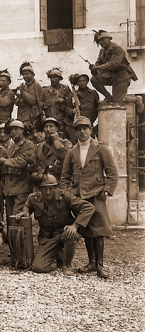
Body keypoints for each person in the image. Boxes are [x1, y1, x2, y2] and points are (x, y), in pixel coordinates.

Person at [61, 116, 118, 278]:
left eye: (85, 128)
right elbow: (65, 176)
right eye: (78, 129)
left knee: (98, 230)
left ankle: (100, 264)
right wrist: (67, 193)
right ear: (75, 132)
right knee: (85, 229)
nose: (82, 132)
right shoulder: (71, 152)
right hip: (79, 196)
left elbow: (112, 173)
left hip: (96, 194)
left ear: (90, 130)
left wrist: (107, 190)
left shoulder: (101, 149)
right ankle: (91, 262)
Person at [19, 174, 95, 275]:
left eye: (51, 188)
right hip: (47, 237)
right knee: (38, 267)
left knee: (70, 234)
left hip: (63, 232)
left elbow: (88, 207)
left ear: (55, 187)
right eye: (44, 188)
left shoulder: (65, 196)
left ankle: (67, 265)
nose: (47, 192)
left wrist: (75, 226)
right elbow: (28, 204)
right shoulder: (34, 198)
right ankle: (57, 254)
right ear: (39, 188)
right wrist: (26, 211)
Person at [89, 30, 138, 104]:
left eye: (103, 39)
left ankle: (136, 99)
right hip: (111, 77)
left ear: (109, 39)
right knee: (94, 79)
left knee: (118, 102)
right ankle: (108, 97)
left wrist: (97, 68)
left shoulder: (117, 49)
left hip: (122, 77)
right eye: (99, 41)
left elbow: (114, 64)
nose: (101, 42)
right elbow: (98, 64)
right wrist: (93, 68)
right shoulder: (102, 51)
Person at [0, 120, 35, 220]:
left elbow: (24, 161)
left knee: (19, 217)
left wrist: (5, 161)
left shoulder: (28, 144)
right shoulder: (12, 146)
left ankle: (21, 236)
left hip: (21, 186)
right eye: (11, 130)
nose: (13, 132)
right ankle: (12, 236)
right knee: (10, 217)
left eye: (16, 129)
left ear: (22, 130)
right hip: (9, 188)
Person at [40, 68, 74, 142]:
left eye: (55, 77)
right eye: (51, 77)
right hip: (50, 120)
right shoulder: (44, 90)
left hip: (63, 121)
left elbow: (72, 100)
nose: (53, 79)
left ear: (59, 78)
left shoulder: (65, 89)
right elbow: (40, 104)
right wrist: (47, 104)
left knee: (63, 140)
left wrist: (64, 99)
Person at [16, 62, 43, 128]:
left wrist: (22, 91)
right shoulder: (24, 85)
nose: (25, 76)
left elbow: (32, 101)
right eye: (23, 74)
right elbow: (16, 103)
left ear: (32, 74)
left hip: (31, 118)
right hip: (22, 117)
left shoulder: (35, 85)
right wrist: (19, 96)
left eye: (27, 74)